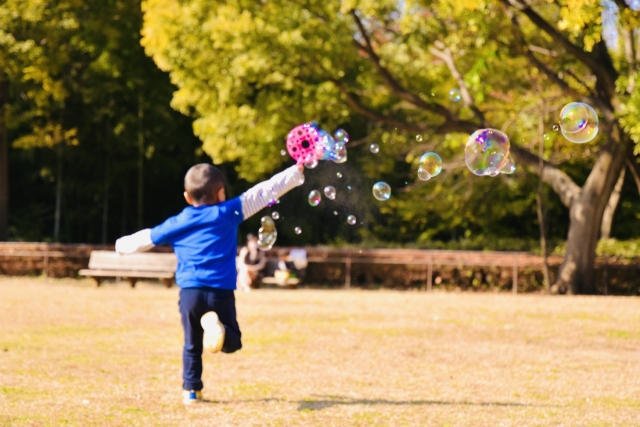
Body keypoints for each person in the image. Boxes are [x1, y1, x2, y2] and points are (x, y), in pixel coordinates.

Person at [115, 163, 305, 404]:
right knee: (232, 341)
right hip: (221, 292)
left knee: (191, 342)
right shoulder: (227, 212)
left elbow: (146, 237)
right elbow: (263, 192)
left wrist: (121, 246)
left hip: (190, 293)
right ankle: (221, 329)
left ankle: (191, 391)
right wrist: (295, 172)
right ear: (221, 193)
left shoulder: (179, 221)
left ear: (187, 196)